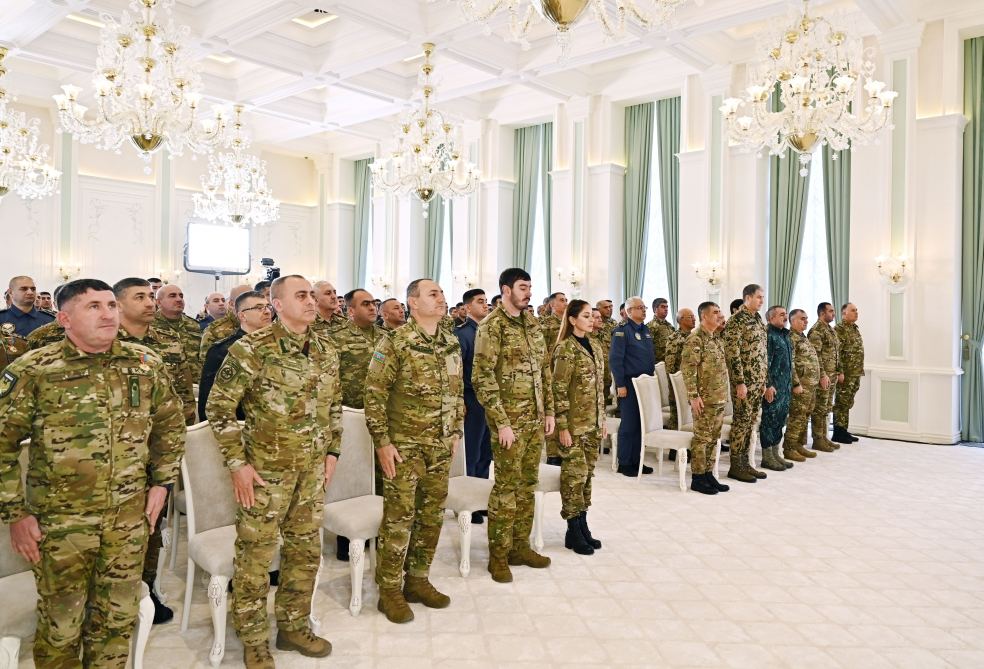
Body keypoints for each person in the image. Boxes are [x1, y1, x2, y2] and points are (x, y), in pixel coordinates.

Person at [0, 278, 185, 668]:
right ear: (64, 318)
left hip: (127, 519)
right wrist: (15, 514)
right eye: (94, 307)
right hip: (61, 524)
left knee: (116, 620)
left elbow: (170, 425)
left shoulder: (145, 364)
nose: (107, 314)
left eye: (110, 305)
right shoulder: (35, 370)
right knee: (61, 627)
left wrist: (162, 482)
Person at [206, 275, 340, 669]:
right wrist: (237, 464)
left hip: (311, 472)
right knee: (255, 559)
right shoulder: (252, 349)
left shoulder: (325, 349)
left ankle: (293, 626)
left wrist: (333, 450)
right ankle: (252, 638)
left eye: (312, 296)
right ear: (276, 305)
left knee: (305, 552)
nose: (311, 302)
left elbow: (334, 405)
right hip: (265, 474)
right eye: (301, 296)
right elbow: (218, 410)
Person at [365, 279, 463, 623]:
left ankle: (418, 579)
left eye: (442, 292)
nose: (442, 298)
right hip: (404, 447)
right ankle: (389, 589)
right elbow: (374, 394)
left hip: (439, 445)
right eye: (433, 294)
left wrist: (455, 432)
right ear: (413, 302)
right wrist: (382, 442)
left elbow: (457, 391)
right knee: (399, 518)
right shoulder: (394, 341)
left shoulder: (450, 341)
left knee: (432, 516)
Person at [113, 277, 197, 623]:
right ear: (118, 305)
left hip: (158, 450)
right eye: (140, 297)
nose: (149, 302)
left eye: (151, 297)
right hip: (117, 456)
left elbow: (179, 401)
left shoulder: (167, 341)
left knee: (153, 524)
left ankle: (147, 588)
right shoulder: (105, 343)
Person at [473, 268, 555, 583]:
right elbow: (482, 378)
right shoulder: (492, 327)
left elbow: (543, 371)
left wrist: (547, 411)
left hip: (534, 420)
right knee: (506, 488)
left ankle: (519, 546)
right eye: (523, 287)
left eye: (531, 287)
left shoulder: (531, 324)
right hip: (508, 422)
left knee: (527, 485)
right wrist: (502, 422)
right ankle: (498, 555)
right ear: (506, 290)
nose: (528, 292)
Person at [551, 300, 605, 555]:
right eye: (586, 316)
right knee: (574, 476)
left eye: (592, 316)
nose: (592, 320)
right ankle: (573, 528)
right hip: (573, 426)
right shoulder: (565, 349)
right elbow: (558, 390)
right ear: (572, 320)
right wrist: (562, 426)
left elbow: (600, 389)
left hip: (592, 424)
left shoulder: (595, 345)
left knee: (587, 476)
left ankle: (583, 525)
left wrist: (602, 420)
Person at [198, 291, 273, 420]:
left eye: (268, 307)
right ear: (242, 316)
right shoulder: (225, 350)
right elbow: (209, 400)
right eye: (259, 308)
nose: (267, 312)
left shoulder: (279, 345)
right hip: (241, 426)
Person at [681, 302, 731, 495]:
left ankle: (709, 473)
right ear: (704, 316)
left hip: (718, 397)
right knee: (702, 438)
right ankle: (698, 477)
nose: (720, 315)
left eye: (720, 311)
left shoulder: (715, 338)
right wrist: (693, 396)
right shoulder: (695, 339)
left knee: (714, 438)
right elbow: (688, 369)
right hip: (704, 399)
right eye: (715, 312)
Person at [722, 284, 768, 483]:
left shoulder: (757, 319)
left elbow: (761, 352)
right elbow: (733, 355)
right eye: (759, 297)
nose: (761, 301)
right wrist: (739, 382)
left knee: (751, 422)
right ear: (747, 298)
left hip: (758, 381)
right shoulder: (736, 321)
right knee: (741, 422)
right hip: (744, 382)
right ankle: (735, 465)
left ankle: (745, 463)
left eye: (762, 297)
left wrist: (764, 381)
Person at [455, 288, 492, 524]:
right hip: (471, 398)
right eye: (480, 302)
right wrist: (459, 400)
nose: (485, 305)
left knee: (486, 452)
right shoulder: (463, 334)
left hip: (489, 399)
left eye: (486, 301)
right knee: (472, 451)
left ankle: (481, 500)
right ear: (468, 307)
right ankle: (467, 504)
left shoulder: (489, 332)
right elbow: (457, 370)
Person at [609, 296, 656, 477]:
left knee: (640, 424)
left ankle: (637, 461)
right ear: (629, 312)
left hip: (644, 384)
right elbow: (615, 360)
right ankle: (625, 462)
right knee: (629, 424)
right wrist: (620, 384)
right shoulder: (622, 331)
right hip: (628, 383)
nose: (644, 310)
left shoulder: (646, 330)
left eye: (644, 307)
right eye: (639, 308)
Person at [330, 288, 386, 409]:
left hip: (383, 408)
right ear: (351, 311)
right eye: (365, 304)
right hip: (350, 410)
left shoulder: (386, 336)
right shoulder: (335, 336)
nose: (372, 307)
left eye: (373, 303)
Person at [759, 306, 796, 472]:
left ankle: (776, 453)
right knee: (769, 421)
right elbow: (764, 363)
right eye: (782, 315)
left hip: (785, 386)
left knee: (780, 420)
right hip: (772, 387)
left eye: (786, 314)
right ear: (771, 318)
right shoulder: (769, 336)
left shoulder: (785, 335)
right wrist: (767, 385)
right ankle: (767, 457)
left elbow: (789, 364)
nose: (786, 317)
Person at [784, 309, 820, 462]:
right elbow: (790, 364)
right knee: (797, 416)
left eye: (806, 319)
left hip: (810, 385)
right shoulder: (791, 338)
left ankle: (798, 444)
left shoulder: (803, 337)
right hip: (800, 385)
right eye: (802, 319)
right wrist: (796, 383)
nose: (806, 321)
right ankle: (789, 447)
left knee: (805, 415)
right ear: (792, 321)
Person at [808, 302, 840, 453]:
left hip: (832, 375)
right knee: (819, 408)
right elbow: (816, 355)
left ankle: (824, 436)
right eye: (831, 311)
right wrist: (822, 375)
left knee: (826, 407)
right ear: (822, 313)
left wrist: (838, 371)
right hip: (824, 376)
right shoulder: (816, 331)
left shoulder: (830, 330)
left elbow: (835, 353)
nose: (833, 313)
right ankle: (817, 439)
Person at [540, 292, 567, 465]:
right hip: (550, 373)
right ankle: (552, 453)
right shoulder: (546, 324)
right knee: (552, 412)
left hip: (564, 373)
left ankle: (564, 449)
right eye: (562, 300)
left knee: (563, 412)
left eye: (566, 300)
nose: (565, 303)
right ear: (552, 305)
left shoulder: (569, 323)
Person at [154, 284, 203, 377]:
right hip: (165, 385)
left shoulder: (194, 325)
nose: (179, 299)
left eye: (181, 296)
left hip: (194, 385)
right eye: (172, 296)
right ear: (159, 302)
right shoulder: (150, 325)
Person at [833, 303, 864, 443]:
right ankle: (838, 432)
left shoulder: (854, 328)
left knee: (848, 401)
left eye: (856, 310)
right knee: (841, 402)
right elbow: (836, 352)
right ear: (844, 313)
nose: (856, 312)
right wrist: (839, 371)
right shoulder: (839, 329)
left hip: (855, 372)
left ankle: (844, 430)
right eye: (853, 310)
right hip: (845, 373)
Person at [663, 308, 696, 430]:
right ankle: (674, 445)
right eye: (690, 317)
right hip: (679, 382)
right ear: (681, 320)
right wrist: (674, 385)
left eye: (694, 316)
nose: (694, 319)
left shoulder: (693, 336)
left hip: (690, 381)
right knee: (677, 414)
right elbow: (670, 365)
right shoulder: (675, 338)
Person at [200, 284, 254, 358]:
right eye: (245, 299)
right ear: (232, 304)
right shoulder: (213, 331)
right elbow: (208, 365)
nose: (252, 303)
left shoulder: (261, 324)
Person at [647, 297, 674, 363]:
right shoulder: (650, 326)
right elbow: (647, 348)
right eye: (663, 307)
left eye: (667, 307)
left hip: (670, 363)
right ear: (655, 309)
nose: (666, 309)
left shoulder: (670, 326)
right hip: (657, 365)